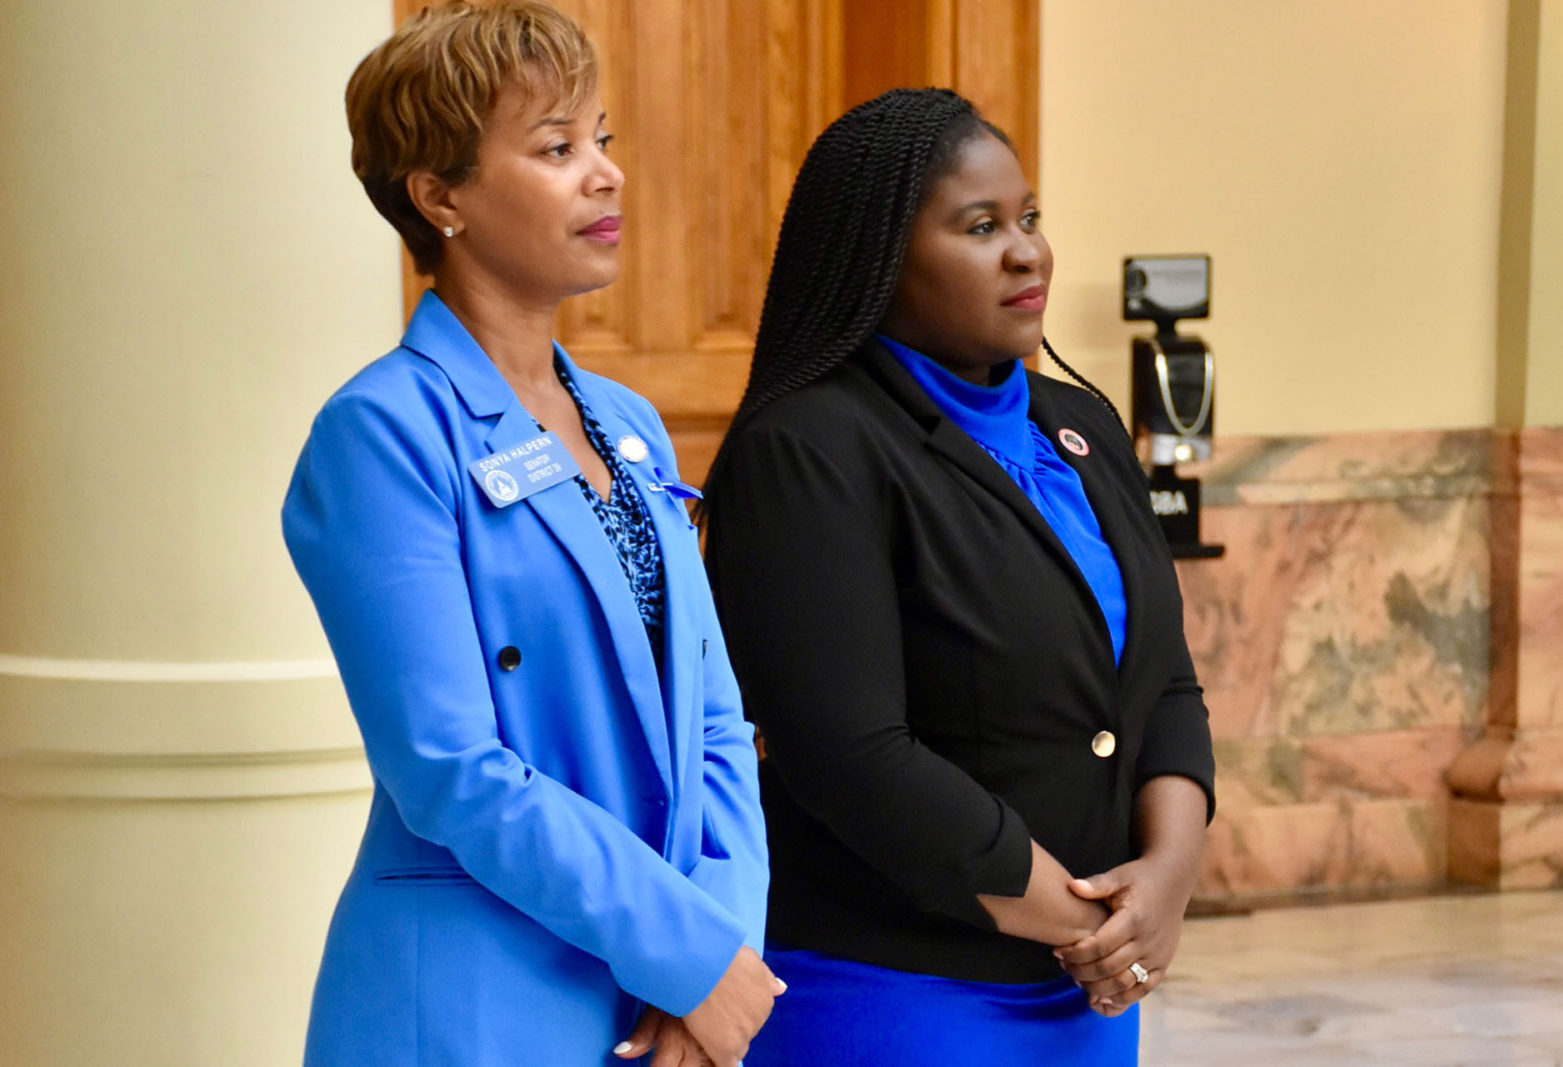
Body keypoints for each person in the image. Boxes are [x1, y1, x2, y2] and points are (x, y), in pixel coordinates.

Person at [281, 4, 778, 1064]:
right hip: (476, 1003)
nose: (605, 174)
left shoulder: (632, 423)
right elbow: (451, 767)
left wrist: (721, 952)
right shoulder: (380, 433)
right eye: (556, 147)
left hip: (664, 1000)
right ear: (439, 194)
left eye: (601, 138)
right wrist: (684, 953)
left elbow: (717, 725)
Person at [701, 88, 1216, 1065]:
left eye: (1028, 218)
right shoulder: (809, 447)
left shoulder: (1083, 423)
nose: (1026, 251)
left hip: (1086, 992)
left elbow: (1164, 682)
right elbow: (849, 753)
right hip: (890, 990)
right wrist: (1087, 918)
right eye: (980, 227)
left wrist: (1165, 881)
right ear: (879, 259)